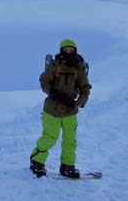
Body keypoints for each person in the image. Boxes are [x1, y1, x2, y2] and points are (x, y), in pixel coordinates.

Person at [30, 39, 91, 178]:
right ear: (61, 50)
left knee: (70, 140)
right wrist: (51, 91)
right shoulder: (55, 65)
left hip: (70, 110)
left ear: (75, 51)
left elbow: (85, 88)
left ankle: (67, 166)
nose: (68, 52)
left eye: (71, 50)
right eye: (65, 49)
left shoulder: (79, 68)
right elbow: (44, 80)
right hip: (52, 109)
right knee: (50, 137)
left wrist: (81, 101)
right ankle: (37, 161)